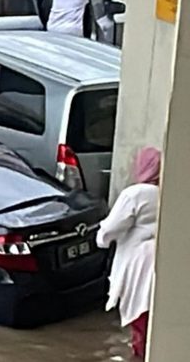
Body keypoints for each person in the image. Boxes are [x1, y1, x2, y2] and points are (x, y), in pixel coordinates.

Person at [97, 147, 160, 360]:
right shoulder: (170, 193)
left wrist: (101, 239)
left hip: (137, 262)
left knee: (139, 317)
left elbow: (110, 229)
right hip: (160, 258)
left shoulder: (135, 194)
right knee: (151, 316)